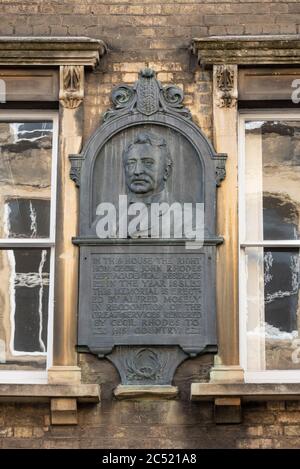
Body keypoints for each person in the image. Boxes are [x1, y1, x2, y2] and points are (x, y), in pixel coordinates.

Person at [123, 131, 172, 204]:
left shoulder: (186, 214)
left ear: (166, 171)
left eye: (148, 163)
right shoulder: (110, 214)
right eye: (131, 163)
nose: (137, 171)